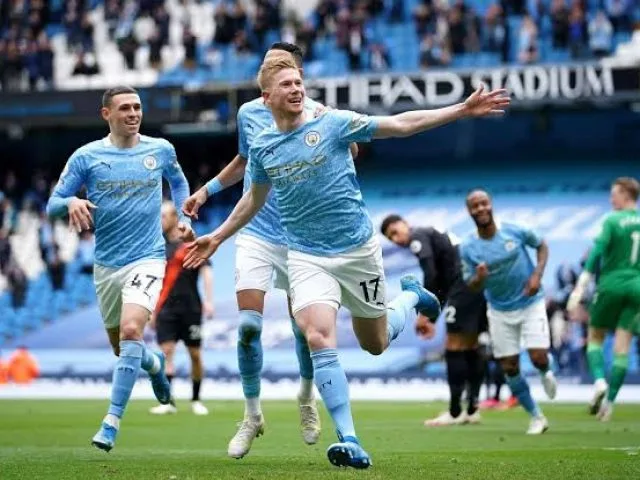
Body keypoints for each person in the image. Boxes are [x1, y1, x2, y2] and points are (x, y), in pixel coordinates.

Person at [183, 55, 509, 468]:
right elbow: (253, 198)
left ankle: (410, 298)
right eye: (286, 85)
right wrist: (217, 236)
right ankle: (349, 439)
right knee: (317, 336)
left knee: (375, 344)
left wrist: (461, 109)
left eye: (298, 82)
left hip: (357, 253)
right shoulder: (263, 146)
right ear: (266, 98)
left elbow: (400, 124)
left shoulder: (332, 122)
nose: (296, 89)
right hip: (306, 256)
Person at [182, 43, 356, 458]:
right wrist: (206, 191)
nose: (273, 68)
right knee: (247, 327)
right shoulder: (249, 113)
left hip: (301, 237)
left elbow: (351, 152)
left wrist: (337, 130)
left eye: (284, 65)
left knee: (303, 331)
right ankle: (252, 414)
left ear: (298, 73)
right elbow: (245, 160)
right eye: (269, 63)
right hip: (256, 233)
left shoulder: (319, 113)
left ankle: (306, 395)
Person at [45, 86, 194, 452]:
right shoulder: (87, 157)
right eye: (125, 108)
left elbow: (178, 181)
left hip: (147, 258)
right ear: (106, 114)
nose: (133, 113)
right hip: (106, 265)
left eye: (137, 107)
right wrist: (71, 201)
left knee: (131, 330)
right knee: (122, 347)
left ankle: (111, 422)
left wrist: (184, 215)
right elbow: (52, 205)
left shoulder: (160, 150)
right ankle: (154, 364)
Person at [459, 189, 557, 435]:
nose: (480, 208)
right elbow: (471, 284)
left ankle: (546, 370)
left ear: (491, 204)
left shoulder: (515, 229)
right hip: (499, 310)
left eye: (484, 203)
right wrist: (479, 278)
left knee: (538, 357)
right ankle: (536, 417)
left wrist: (537, 275)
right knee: (510, 367)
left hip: (530, 302)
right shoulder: (468, 246)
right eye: (475, 206)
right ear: (469, 211)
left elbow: (542, 245)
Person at [381, 215, 487, 426]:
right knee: (471, 345)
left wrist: (424, 314)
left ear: (405, 224)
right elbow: (443, 281)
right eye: (391, 238)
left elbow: (431, 276)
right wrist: (432, 317)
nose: (396, 239)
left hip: (463, 286)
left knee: (454, 345)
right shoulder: (432, 234)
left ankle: (455, 412)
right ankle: (472, 409)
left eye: (395, 232)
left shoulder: (418, 237)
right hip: (473, 285)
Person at [567, 177, 640, 421]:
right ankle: (609, 404)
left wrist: (580, 286)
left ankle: (599, 382)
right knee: (623, 347)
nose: (611, 199)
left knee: (595, 337)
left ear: (626, 195)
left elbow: (597, 252)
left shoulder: (611, 220)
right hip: (637, 286)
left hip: (611, 284)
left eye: (614, 194)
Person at [149, 201, 214, 416]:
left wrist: (209, 300)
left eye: (164, 216)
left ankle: (196, 399)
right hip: (166, 309)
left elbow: (206, 271)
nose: (161, 220)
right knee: (166, 353)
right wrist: (151, 309)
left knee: (195, 354)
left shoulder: (191, 244)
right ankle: (168, 402)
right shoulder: (158, 246)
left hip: (191, 307)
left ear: (175, 218)